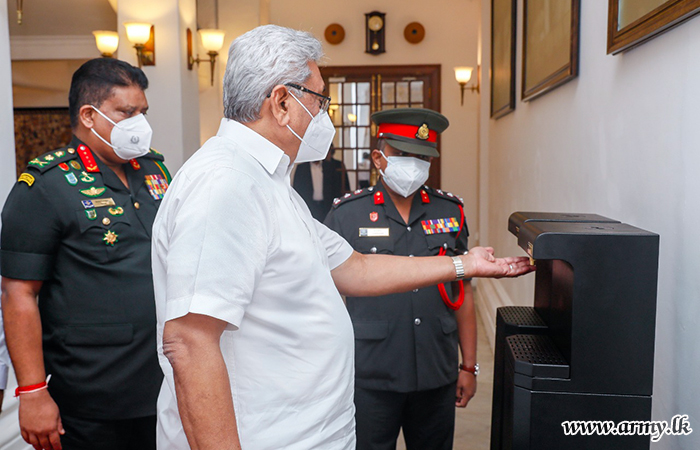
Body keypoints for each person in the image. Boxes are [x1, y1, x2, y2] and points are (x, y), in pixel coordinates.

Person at [151, 24, 534, 450]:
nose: (324, 117)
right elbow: (189, 342)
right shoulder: (226, 184)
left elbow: (355, 266)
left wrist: (467, 264)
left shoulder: (269, 184)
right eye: (319, 100)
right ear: (281, 102)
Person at [0, 58, 170, 450]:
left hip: (162, 384)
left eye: (142, 112)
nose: (138, 123)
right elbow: (18, 294)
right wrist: (32, 391)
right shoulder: (45, 185)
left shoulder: (155, 171)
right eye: (126, 113)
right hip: (92, 394)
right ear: (89, 116)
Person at [324, 108, 476, 450]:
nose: (414, 164)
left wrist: (469, 365)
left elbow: (463, 292)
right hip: (371, 374)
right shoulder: (347, 214)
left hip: (436, 370)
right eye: (403, 154)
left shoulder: (450, 212)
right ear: (379, 157)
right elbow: (326, 298)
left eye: (422, 156)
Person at [292, 144, 349, 220]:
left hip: (327, 207)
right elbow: (296, 189)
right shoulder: (302, 168)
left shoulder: (329, 166)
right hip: (308, 206)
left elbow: (336, 188)